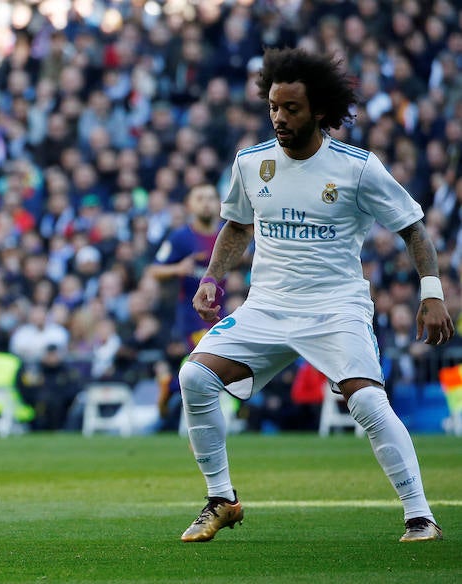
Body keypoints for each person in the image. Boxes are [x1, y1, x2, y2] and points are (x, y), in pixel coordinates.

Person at [178, 48, 454, 544]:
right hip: (267, 305)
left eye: (291, 109)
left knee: (368, 402)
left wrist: (430, 292)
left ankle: (420, 516)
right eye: (273, 108)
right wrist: (212, 279)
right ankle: (221, 499)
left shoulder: (357, 168)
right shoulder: (251, 162)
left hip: (335, 307)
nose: (279, 118)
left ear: (320, 110)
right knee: (194, 377)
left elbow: (414, 230)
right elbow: (237, 226)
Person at [144, 183, 223, 427]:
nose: (207, 203)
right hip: (192, 314)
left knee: (219, 365)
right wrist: (179, 268)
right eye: (200, 198)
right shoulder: (181, 237)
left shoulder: (226, 234)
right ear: (190, 205)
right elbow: (154, 269)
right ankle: (201, 427)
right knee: (209, 361)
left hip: (220, 310)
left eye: (211, 197)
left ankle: (171, 386)